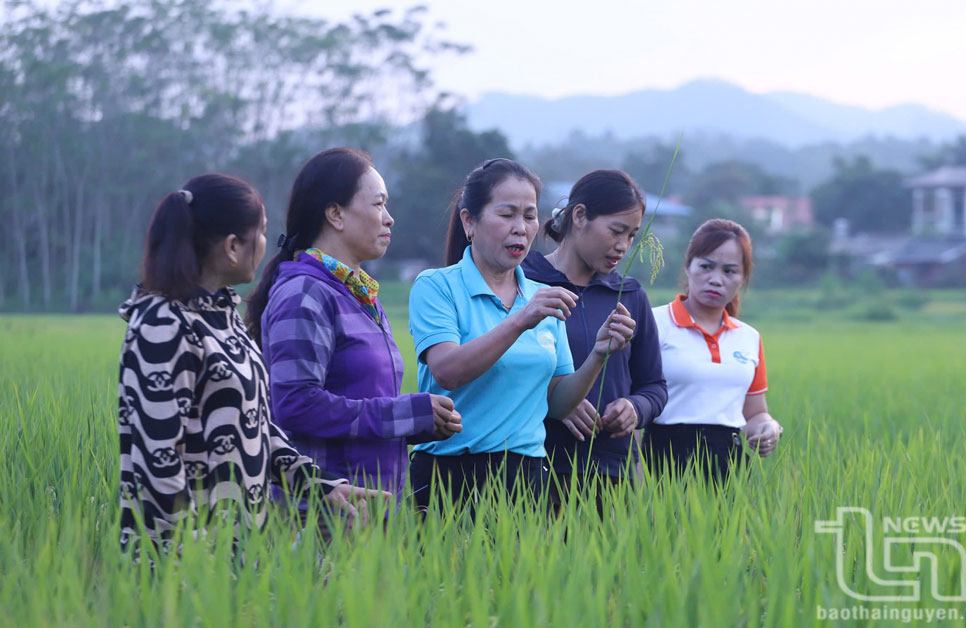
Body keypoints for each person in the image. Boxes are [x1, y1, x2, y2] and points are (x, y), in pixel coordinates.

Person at [118, 174, 383, 554]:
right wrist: (191, 559)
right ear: (231, 247)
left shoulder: (223, 316)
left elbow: (255, 427)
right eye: (260, 233)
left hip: (236, 551)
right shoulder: (163, 325)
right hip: (178, 563)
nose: (264, 245)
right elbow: (157, 460)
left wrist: (321, 484)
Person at [407, 158, 636, 512]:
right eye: (507, 214)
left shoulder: (542, 297)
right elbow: (448, 371)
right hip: (448, 474)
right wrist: (520, 320)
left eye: (529, 216)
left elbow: (558, 403)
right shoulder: (437, 287)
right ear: (470, 221)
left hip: (525, 477)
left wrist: (598, 354)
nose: (521, 228)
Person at [244, 148, 461, 515]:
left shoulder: (358, 293)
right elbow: (295, 405)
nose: (389, 219)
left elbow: (359, 401)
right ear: (335, 214)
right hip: (320, 512)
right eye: (378, 205)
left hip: (369, 509)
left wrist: (419, 423)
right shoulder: (304, 293)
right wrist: (406, 414)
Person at [521, 169, 667, 511]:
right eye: (616, 231)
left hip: (612, 474)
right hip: (534, 467)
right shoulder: (525, 284)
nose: (623, 246)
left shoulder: (629, 296)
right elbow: (497, 372)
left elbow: (655, 387)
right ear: (580, 216)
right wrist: (556, 399)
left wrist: (634, 408)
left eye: (632, 236)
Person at [647, 218, 783, 482]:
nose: (716, 279)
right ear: (688, 267)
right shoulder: (653, 324)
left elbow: (754, 413)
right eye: (706, 267)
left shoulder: (748, 338)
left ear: (743, 278)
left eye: (730, 271)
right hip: (661, 461)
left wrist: (769, 427)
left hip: (729, 467)